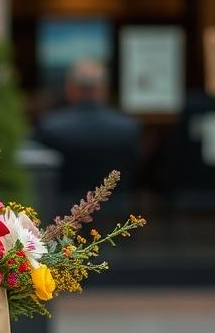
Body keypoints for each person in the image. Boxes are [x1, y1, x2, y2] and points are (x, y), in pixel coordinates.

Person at [35, 58, 140, 217]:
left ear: (70, 88)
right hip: (116, 216)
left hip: (64, 215)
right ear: (103, 89)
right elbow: (137, 168)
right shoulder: (128, 127)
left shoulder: (50, 126)